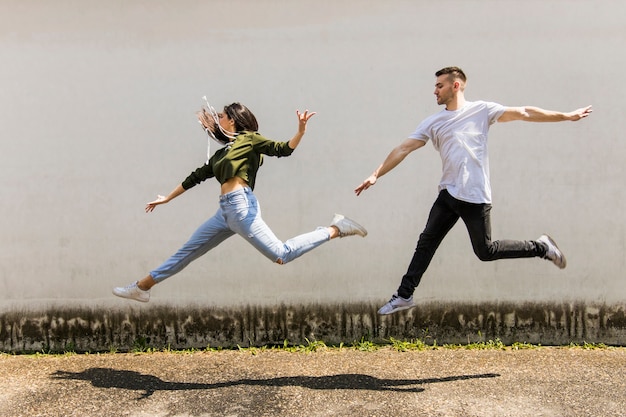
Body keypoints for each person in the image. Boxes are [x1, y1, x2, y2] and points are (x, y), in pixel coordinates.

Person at [355, 66, 592, 315]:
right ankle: (404, 295)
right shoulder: (433, 122)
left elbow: (524, 112)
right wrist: (375, 174)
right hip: (448, 194)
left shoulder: (482, 111)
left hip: (475, 197)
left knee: (485, 252)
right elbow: (403, 148)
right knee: (426, 243)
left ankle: (541, 247)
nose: (434, 90)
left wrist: (566, 116)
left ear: (455, 86)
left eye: (439, 86)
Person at [113, 102, 367, 302]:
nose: (218, 119)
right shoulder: (222, 153)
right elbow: (197, 176)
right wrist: (167, 198)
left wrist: (300, 131)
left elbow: (283, 149)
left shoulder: (249, 140)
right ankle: (142, 288)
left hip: (241, 207)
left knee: (281, 254)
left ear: (232, 119)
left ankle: (336, 228)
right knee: (187, 252)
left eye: (222, 115)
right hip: (225, 212)